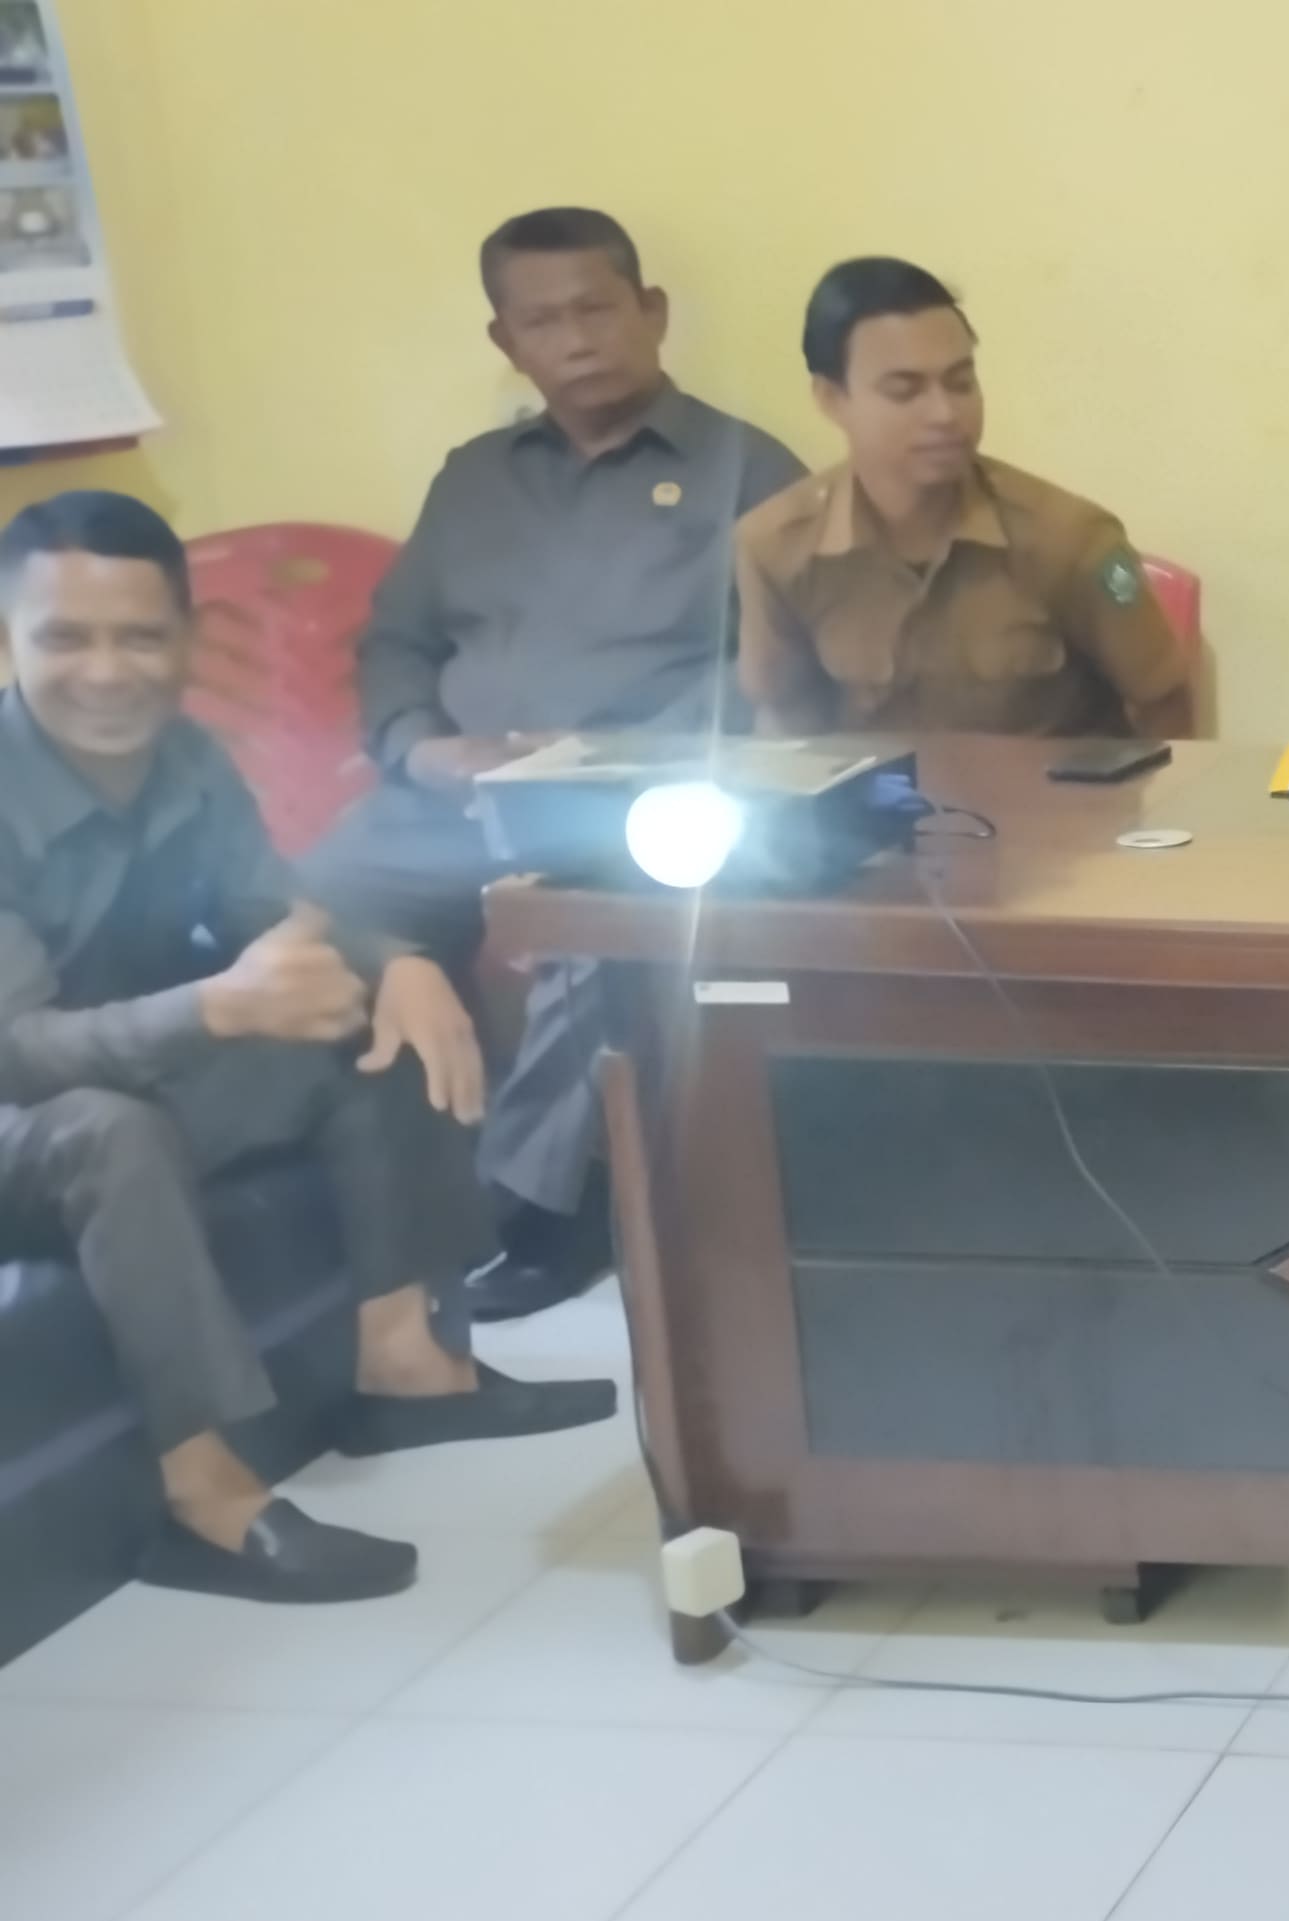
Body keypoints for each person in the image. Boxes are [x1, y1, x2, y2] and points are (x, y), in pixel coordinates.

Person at [0, 493, 616, 1603]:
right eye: (65, 638)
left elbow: (271, 915)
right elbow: (17, 1058)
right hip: (36, 1113)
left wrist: (395, 962)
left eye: (139, 637)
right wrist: (214, 1011)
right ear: (10, 641)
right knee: (108, 1129)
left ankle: (404, 1360)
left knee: (369, 1012)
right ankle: (203, 1494)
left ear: (188, 639)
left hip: (130, 1072)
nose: (106, 672)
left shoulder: (185, 756)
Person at [306, 205, 805, 1321]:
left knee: (594, 925)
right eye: (544, 321)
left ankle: (537, 1212)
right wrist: (418, 747)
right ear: (506, 342)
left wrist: (618, 762)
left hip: (634, 806)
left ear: (651, 312)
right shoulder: (473, 478)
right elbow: (395, 641)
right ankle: (362, 1189)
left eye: (597, 309)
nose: (577, 340)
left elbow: (779, 671)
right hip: (451, 801)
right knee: (297, 901)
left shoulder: (748, 470)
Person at [732, 257, 1191, 740]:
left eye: (961, 383)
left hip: (1045, 790)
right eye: (904, 391)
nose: (945, 413)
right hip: (871, 789)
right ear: (831, 398)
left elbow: (1163, 701)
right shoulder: (775, 547)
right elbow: (785, 720)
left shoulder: (1075, 540)